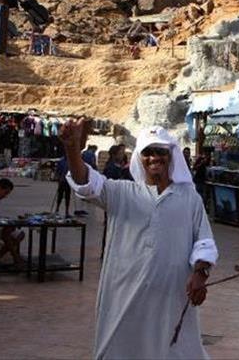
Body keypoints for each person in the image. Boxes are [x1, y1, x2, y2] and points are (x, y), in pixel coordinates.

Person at [60, 119, 217, 360]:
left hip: (171, 297)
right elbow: (86, 183)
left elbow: (204, 241)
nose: (154, 157)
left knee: (175, 349)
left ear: (170, 155)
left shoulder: (189, 198)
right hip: (125, 297)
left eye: (160, 151)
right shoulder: (122, 193)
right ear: (139, 158)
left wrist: (200, 273)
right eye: (148, 152)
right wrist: (72, 148)